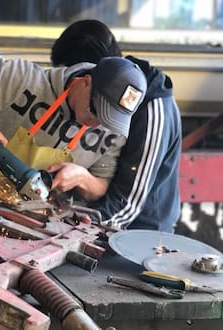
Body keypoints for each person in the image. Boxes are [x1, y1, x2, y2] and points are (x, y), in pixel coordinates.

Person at [0, 45, 147, 230]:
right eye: (94, 111)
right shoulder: (26, 81)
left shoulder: (112, 131)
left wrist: (82, 177)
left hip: (42, 236)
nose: (96, 124)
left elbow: (101, 186)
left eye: (107, 120)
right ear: (86, 81)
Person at [50, 19, 182, 233]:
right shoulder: (98, 92)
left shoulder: (152, 108)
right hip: (97, 220)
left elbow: (127, 206)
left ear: (94, 76)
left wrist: (75, 230)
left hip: (139, 235)